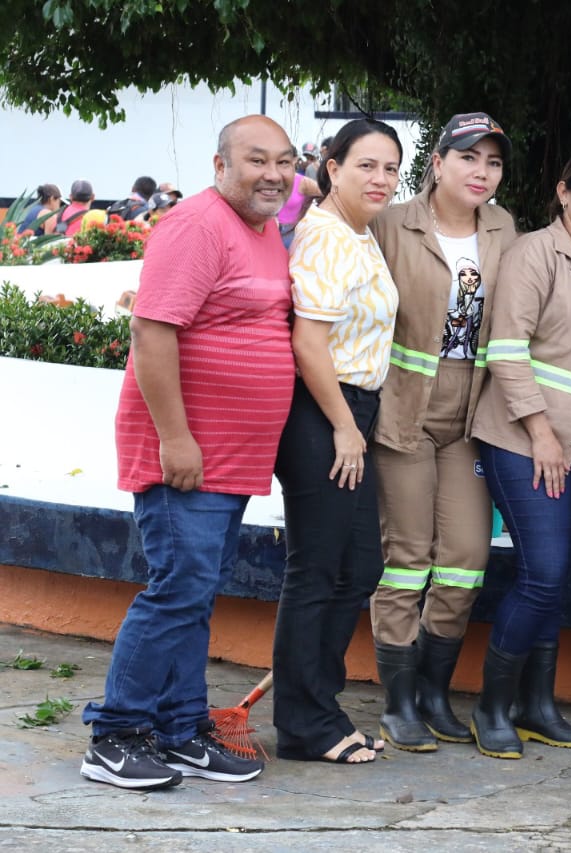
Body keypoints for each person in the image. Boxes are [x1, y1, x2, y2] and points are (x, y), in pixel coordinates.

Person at [80, 115, 297, 790]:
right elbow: (152, 333)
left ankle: (178, 730)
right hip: (187, 452)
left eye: (284, 161)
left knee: (196, 595)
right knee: (176, 591)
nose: (273, 173)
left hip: (231, 457)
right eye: (255, 159)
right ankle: (115, 735)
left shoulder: (261, 231)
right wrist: (176, 436)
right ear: (218, 165)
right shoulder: (197, 226)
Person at [470, 149, 571, 759]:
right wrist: (541, 432)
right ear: (563, 192)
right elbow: (506, 349)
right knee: (541, 576)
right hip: (530, 438)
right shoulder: (535, 252)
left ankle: (538, 706)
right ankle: (492, 707)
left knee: (557, 576)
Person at [368, 112, 517, 752]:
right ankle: (399, 703)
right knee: (407, 560)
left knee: (465, 557)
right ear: (437, 163)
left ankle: (433, 690)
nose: (480, 172)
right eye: (467, 158)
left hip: (471, 416)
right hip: (403, 411)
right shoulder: (390, 224)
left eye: (492, 162)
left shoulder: (504, 228)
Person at [272, 118, 403, 765]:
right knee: (317, 568)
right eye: (366, 166)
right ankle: (304, 722)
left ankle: (316, 704)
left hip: (352, 409)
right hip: (323, 409)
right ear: (332, 167)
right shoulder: (325, 236)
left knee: (360, 567)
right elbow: (307, 342)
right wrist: (346, 426)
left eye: (389, 167)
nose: (379, 179)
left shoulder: (361, 233)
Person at [278, 152, 323, 250]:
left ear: (294, 160)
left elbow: (328, 192)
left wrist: (307, 207)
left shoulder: (302, 182)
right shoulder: (270, 179)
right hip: (267, 229)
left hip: (289, 232)